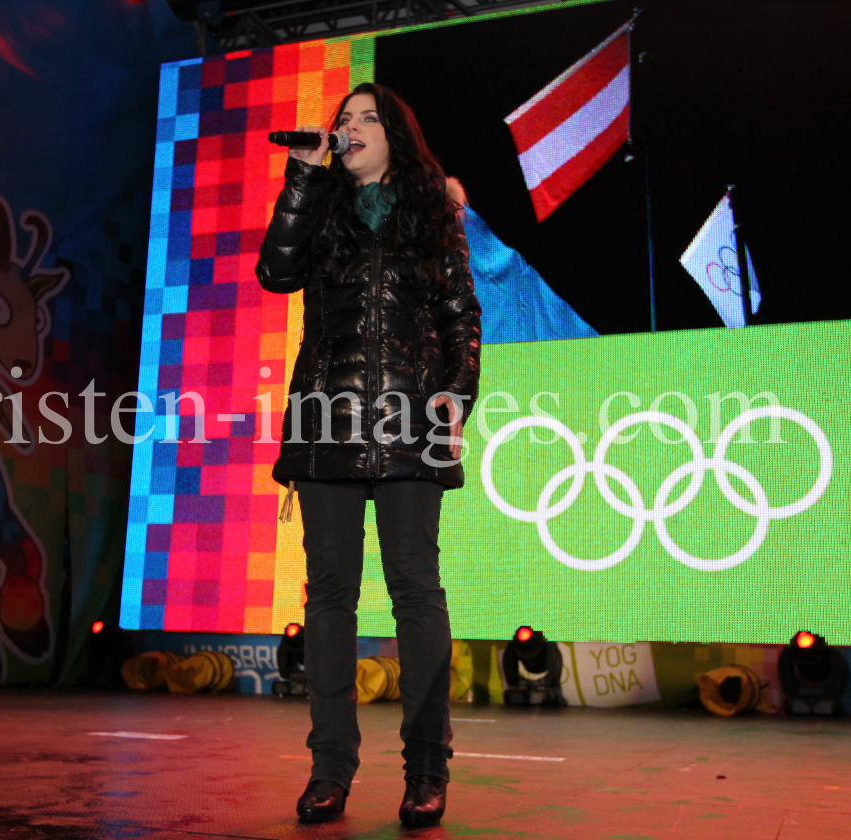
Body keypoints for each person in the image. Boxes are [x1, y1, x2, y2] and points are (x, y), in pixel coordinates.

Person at [255, 82, 481, 828]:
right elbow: (276, 272)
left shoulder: (431, 215)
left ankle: (426, 769)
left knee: (417, 592)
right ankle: (330, 770)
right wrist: (303, 177)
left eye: (364, 118)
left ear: (396, 135)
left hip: (412, 418)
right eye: (341, 120)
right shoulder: (318, 204)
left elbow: (460, 318)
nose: (349, 128)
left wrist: (457, 393)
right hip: (327, 421)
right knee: (329, 600)